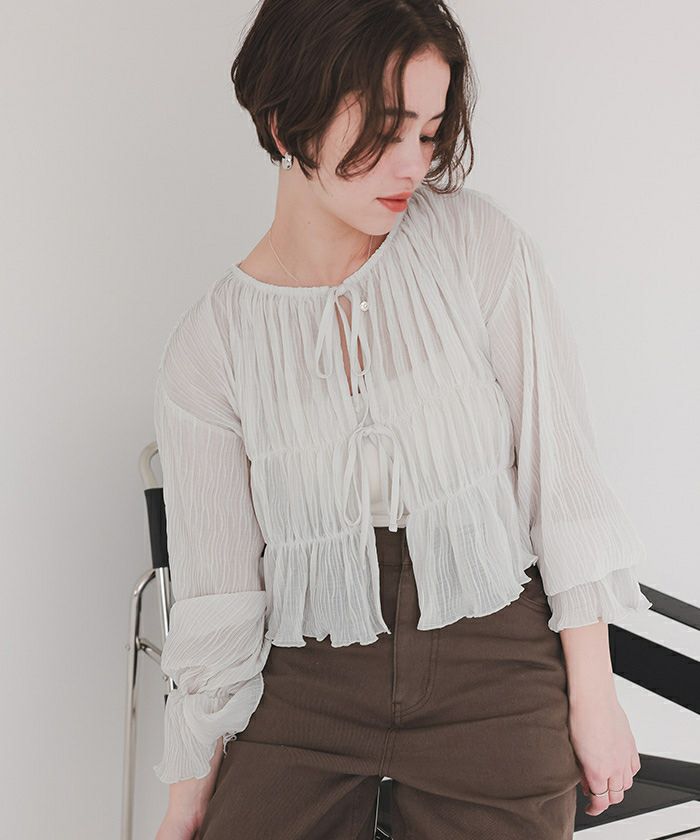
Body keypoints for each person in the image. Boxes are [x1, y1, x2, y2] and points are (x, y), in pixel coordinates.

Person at [153, 2, 652, 838]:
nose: (413, 163)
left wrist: (595, 700)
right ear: (285, 122)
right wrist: (186, 797)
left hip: (494, 667)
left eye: (427, 131)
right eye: (386, 131)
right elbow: (221, 598)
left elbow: (560, 483)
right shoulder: (209, 350)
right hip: (307, 682)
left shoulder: (475, 248)